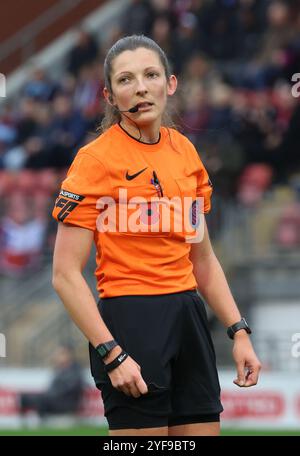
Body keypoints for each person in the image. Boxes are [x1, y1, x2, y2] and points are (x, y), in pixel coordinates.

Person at [52, 35, 261, 436]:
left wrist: (239, 331)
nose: (141, 87)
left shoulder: (186, 153)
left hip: (189, 318)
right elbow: (64, 274)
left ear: (171, 84)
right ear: (110, 96)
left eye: (151, 75)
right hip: (131, 321)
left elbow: (202, 259)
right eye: (126, 80)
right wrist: (111, 353)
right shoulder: (93, 161)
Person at [19, 345, 84, 420]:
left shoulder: (75, 370)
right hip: (53, 399)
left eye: (61, 353)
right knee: (24, 397)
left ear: (69, 355)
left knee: (42, 400)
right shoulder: (59, 369)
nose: (57, 356)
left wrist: (50, 395)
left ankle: (43, 424)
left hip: (66, 403)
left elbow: (70, 389)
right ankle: (23, 423)